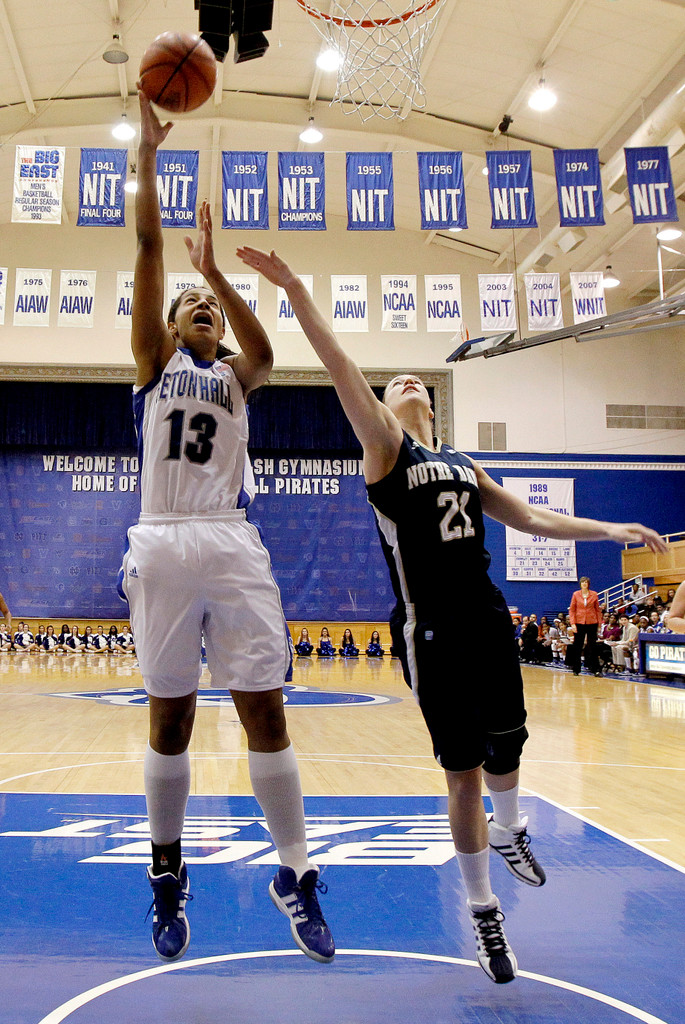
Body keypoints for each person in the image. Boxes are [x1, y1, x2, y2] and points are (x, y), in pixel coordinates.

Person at [239, 244, 668, 985]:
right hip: (428, 625)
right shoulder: (384, 449)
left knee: (510, 746)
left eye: (414, 379)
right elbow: (340, 365)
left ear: (432, 403)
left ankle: (509, 832)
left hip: (486, 613)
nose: (404, 379)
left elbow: (531, 517)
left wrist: (607, 531)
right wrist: (296, 292)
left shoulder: (465, 464)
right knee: (464, 771)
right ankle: (482, 913)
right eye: (393, 380)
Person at [119, 91, 334, 968]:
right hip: (164, 537)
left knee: (265, 714)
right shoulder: (152, 365)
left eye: (205, 311)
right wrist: (146, 154)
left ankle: (295, 872)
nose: (199, 316)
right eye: (188, 311)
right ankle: (166, 872)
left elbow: (271, 355)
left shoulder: (238, 377)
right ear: (167, 332)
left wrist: (215, 275)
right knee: (168, 721)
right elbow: (143, 246)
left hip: (232, 541)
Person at [568, 576, 603, 676]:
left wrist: (599, 624)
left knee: (592, 646)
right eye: (582, 582)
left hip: (592, 622)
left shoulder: (594, 594)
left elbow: (597, 610)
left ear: (588, 584)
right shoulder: (576, 594)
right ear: (580, 584)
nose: (584, 584)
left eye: (586, 582)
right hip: (579, 622)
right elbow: (572, 610)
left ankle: (595, 669)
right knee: (577, 646)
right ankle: (576, 669)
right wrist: (573, 623)